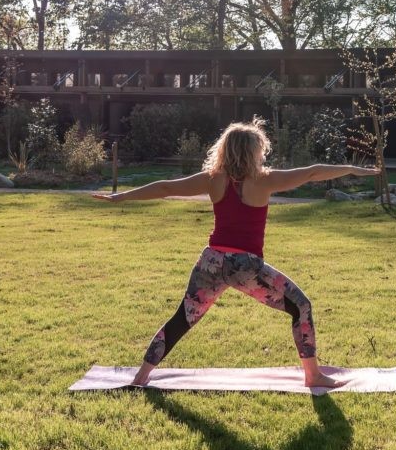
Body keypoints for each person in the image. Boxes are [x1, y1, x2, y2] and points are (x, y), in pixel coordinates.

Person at [92, 118, 378, 388]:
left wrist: (121, 196)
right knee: (301, 306)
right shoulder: (265, 180)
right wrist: (352, 169)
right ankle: (313, 375)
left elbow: (166, 188)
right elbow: (314, 171)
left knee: (183, 317)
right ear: (254, 151)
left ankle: (141, 376)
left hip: (212, 262)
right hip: (246, 267)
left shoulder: (213, 179)